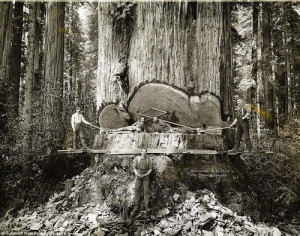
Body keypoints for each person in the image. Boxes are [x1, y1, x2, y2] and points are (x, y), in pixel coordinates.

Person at [130, 148, 153, 219]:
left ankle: (146, 206)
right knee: (137, 190)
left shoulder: (148, 160)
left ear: (146, 153)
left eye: (145, 152)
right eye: (142, 151)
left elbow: (150, 168)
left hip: (145, 177)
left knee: (146, 191)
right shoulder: (137, 159)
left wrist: (146, 174)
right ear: (141, 152)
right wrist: (137, 174)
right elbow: (134, 168)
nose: (143, 153)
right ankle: (136, 206)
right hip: (138, 177)